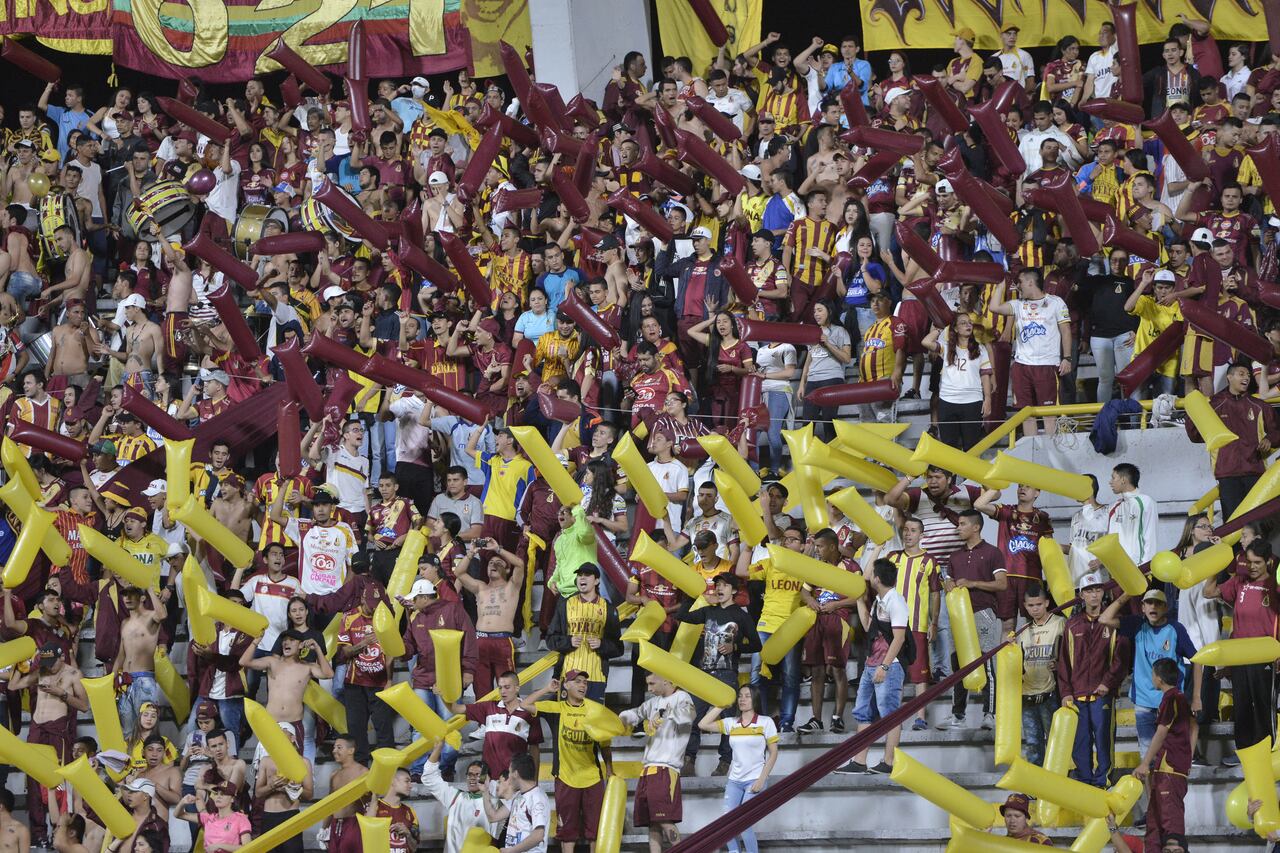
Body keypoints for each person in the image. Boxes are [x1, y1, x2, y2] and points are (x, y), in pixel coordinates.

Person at [522, 671, 614, 853]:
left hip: (592, 778)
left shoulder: (594, 710)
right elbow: (525, 704)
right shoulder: (557, 708)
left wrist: (610, 769)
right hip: (565, 778)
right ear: (566, 685)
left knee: (594, 831)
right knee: (567, 832)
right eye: (578, 681)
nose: (582, 686)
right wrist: (547, 688)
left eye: (585, 683)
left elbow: (605, 745)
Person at [678, 572, 760, 776]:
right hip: (703, 673)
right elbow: (682, 616)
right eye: (717, 586)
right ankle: (689, 759)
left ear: (734, 590)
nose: (719, 589)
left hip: (726, 674)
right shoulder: (708, 611)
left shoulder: (741, 615)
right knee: (692, 716)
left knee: (727, 719)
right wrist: (690, 594)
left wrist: (736, 647)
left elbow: (757, 644)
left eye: (724, 585)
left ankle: (724, 762)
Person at [1099, 589, 1197, 758]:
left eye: (1158, 603)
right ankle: (1150, 786)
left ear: (1166, 608)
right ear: (1142, 607)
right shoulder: (1137, 624)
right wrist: (1128, 593)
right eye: (1149, 603)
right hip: (1143, 700)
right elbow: (1104, 619)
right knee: (1147, 755)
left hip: (1169, 701)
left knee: (1170, 754)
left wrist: (1196, 697)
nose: (1154, 607)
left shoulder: (1175, 629)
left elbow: (1197, 659)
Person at [1203, 539, 1280, 751]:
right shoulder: (1239, 581)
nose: (1253, 566)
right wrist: (1215, 566)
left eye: (1258, 562)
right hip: (1239, 657)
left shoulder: (1275, 585)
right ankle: (1245, 753)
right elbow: (1208, 592)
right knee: (1242, 707)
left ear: (1268, 562)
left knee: (1264, 706)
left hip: (1264, 656)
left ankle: (1268, 752)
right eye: (1250, 562)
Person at [1185, 360, 1279, 520]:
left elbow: (1277, 431)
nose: (1247, 378)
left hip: (1255, 472)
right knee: (1232, 523)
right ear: (1229, 377)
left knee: (1258, 524)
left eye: (1248, 375)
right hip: (1227, 474)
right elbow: (1195, 435)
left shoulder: (1259, 406)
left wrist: (1270, 439)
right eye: (1241, 374)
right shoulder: (1213, 404)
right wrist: (1192, 411)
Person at [938, 510, 1006, 730]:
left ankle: (990, 714)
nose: (958, 528)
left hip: (983, 611)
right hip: (959, 616)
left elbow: (1002, 584)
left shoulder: (993, 552)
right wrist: (947, 585)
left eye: (962, 524)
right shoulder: (955, 556)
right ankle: (958, 715)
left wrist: (973, 583)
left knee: (986, 662)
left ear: (976, 527)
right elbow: (948, 582)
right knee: (958, 664)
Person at [1058, 572, 1128, 787]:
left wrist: (1108, 682)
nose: (1094, 595)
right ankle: (1084, 779)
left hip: (1102, 693)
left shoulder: (1114, 622)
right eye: (1089, 591)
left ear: (1103, 593)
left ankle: (1103, 780)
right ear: (1081, 595)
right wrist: (1066, 691)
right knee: (1080, 741)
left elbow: (1121, 658)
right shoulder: (1071, 625)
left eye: (1097, 590)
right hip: (1077, 693)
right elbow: (1063, 661)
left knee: (1103, 738)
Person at [618, 674, 696, 853]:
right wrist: (621, 718)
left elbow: (690, 715)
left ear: (666, 680)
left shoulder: (682, 697)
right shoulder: (653, 702)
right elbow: (636, 713)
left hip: (666, 769)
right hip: (648, 769)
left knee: (664, 819)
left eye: (652, 683)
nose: (649, 689)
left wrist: (666, 713)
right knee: (652, 822)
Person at [990, 269, 1072, 436]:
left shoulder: (1056, 302)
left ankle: (1051, 455)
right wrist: (1000, 287)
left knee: (1048, 414)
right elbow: (994, 307)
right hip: (1022, 366)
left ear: (1030, 282)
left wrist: (1067, 358)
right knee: (1026, 414)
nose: (1017, 286)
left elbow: (1066, 331)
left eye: (1019, 282)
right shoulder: (1018, 304)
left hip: (1047, 365)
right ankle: (1032, 453)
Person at [697, 686, 778, 853]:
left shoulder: (765, 722)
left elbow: (774, 753)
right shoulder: (731, 723)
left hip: (755, 779)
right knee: (727, 824)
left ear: (755, 699)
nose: (742, 699)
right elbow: (702, 724)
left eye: (747, 696)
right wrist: (722, 705)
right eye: (740, 696)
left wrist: (762, 779)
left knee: (742, 822)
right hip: (734, 780)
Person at [1134, 658, 1193, 853]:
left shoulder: (1172, 698)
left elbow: (1161, 732)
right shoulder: (1180, 698)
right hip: (1170, 769)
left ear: (1158, 678)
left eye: (1152, 674)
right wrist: (1187, 757)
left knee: (1171, 830)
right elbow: (1195, 727)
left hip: (1169, 770)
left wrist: (1144, 763)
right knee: (1154, 825)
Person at [456, 537, 526, 696]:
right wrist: (471, 552)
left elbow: (520, 564)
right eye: (490, 563)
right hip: (480, 641)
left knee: (508, 688)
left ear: (507, 570)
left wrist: (497, 549)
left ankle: (509, 719)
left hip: (502, 641)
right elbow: (458, 572)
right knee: (482, 691)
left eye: (499, 563)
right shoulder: (480, 587)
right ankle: (484, 721)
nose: (493, 564)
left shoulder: (512, 586)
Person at [546, 564, 622, 702]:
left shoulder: (608, 609)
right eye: (580, 575)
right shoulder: (565, 605)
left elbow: (618, 648)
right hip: (568, 677)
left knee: (592, 723)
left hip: (596, 676)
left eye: (587, 575)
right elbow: (550, 639)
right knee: (568, 722)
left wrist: (602, 644)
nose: (582, 578)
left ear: (597, 581)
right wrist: (568, 642)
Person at [419, 738, 501, 853]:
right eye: (470, 774)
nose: (473, 778)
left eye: (478, 775)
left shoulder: (495, 803)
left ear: (487, 778)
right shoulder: (455, 797)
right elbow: (429, 778)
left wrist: (486, 790)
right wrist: (437, 749)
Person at [1017, 583, 1066, 766]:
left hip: (1051, 693)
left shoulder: (1060, 623)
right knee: (1032, 744)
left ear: (1046, 603)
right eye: (1030, 605)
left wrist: (1060, 665)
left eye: (1038, 604)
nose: (1035, 609)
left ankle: (1056, 785)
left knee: (1055, 742)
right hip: (1027, 694)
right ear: (1025, 605)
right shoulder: (1023, 630)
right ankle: (1035, 789)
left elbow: (1071, 653)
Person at [482, 753, 550, 853]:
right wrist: (484, 791)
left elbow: (538, 835)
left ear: (516, 774)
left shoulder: (537, 798)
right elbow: (493, 817)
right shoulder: (518, 796)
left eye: (509, 772)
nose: (508, 777)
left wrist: (511, 851)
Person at [175, 783, 251, 853]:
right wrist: (183, 802)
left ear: (232, 799)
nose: (218, 796)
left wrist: (219, 846)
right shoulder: (208, 817)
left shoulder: (240, 819)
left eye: (223, 794)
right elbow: (178, 815)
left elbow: (248, 848)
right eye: (216, 793)